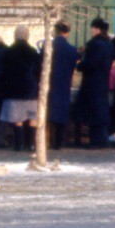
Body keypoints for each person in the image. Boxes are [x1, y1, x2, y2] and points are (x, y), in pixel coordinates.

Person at [0, 25, 41, 152]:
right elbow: (38, 71)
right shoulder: (33, 51)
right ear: (27, 35)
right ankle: (32, 144)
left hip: (14, 88)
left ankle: (19, 145)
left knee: (18, 118)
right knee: (33, 116)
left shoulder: (8, 51)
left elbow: (3, 71)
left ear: (15, 35)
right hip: (31, 88)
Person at [76, 18, 114, 148]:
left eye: (92, 28)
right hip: (103, 80)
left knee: (93, 112)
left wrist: (80, 65)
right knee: (101, 110)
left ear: (96, 29)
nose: (91, 30)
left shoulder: (95, 44)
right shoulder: (109, 43)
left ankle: (95, 141)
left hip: (92, 82)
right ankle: (102, 139)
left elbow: (91, 63)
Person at [44, 22, 80, 150]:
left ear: (55, 30)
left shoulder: (48, 47)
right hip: (64, 85)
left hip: (49, 85)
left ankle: (48, 141)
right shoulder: (71, 50)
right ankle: (59, 143)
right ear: (67, 33)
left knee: (49, 113)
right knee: (62, 114)